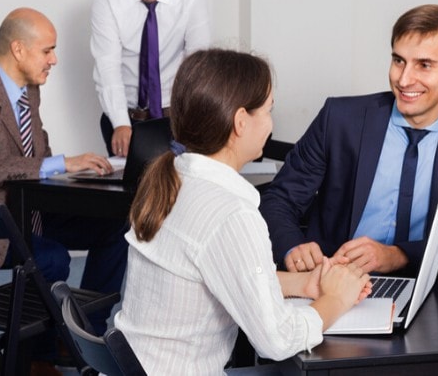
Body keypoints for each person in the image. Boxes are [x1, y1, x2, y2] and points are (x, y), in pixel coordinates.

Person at [114, 48, 370, 374]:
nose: (270, 123)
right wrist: (335, 300)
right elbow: (276, 340)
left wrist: (302, 285)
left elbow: (219, 275)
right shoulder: (231, 214)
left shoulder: (174, 178)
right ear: (240, 121)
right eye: (268, 111)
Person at [260, 4, 438, 275]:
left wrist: (400, 255)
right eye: (398, 61)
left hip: (426, 288)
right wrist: (292, 248)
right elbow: (279, 199)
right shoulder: (340, 119)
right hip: (332, 281)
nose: (404, 80)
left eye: (424, 65)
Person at [0, 8, 129, 374]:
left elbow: (37, 154)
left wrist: (83, 179)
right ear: (18, 49)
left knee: (116, 227)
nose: (54, 59)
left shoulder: (28, 88)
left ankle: (77, 337)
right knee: (51, 258)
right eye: (47, 50)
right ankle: (38, 356)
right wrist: (64, 163)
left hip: (28, 208)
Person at [91, 0, 211, 157]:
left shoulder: (192, 2)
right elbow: (107, 66)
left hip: (175, 119)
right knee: (129, 191)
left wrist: (192, 123)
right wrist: (120, 123)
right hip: (124, 117)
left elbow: (198, 70)